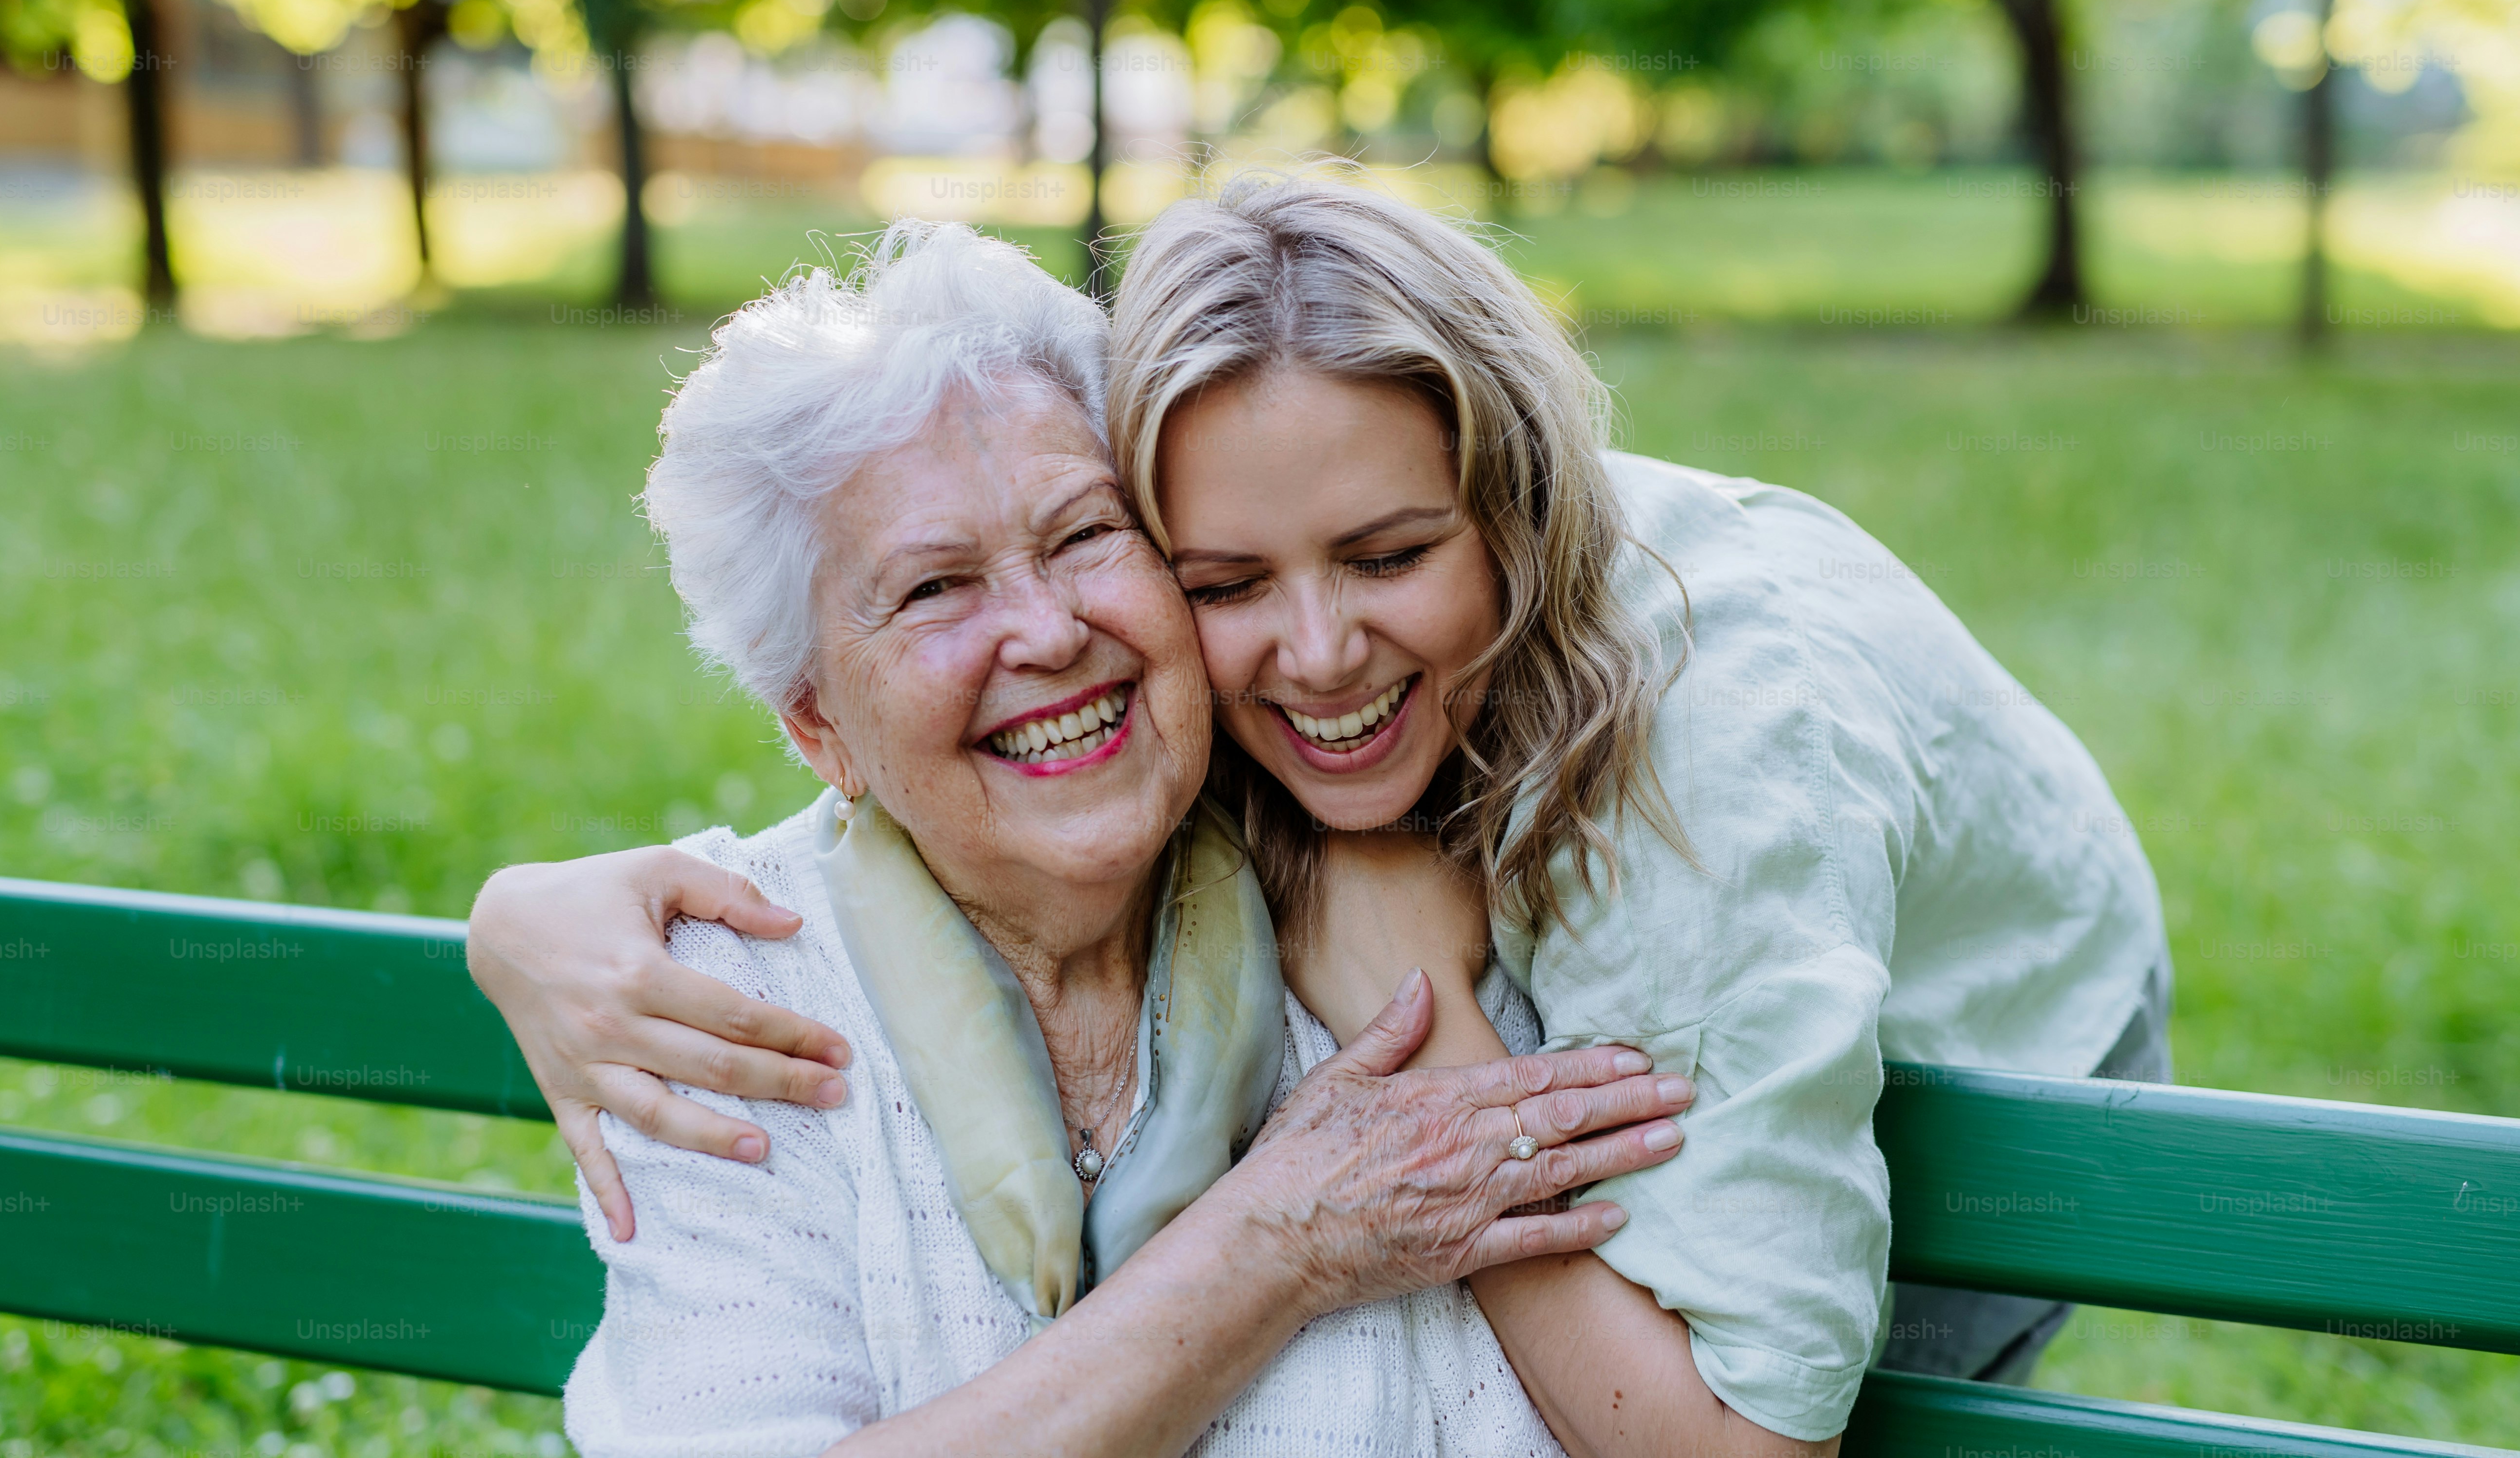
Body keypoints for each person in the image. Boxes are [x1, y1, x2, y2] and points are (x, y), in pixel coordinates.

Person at [475, 176, 2172, 1449]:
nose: (1304, 652)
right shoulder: (1155, 750)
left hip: (1995, 1063)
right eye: (1223, 577)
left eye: (1082, 543)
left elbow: (1723, 1443)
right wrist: (524, 918)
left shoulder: (1671, 780)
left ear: (1513, 504)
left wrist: (1422, 1060)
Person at [526, 221, 1694, 1458]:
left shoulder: (1392, 888)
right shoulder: (727, 1004)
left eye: (1085, 534)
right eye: (935, 588)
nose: (1045, 629)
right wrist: (1277, 1241)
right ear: (822, 726)